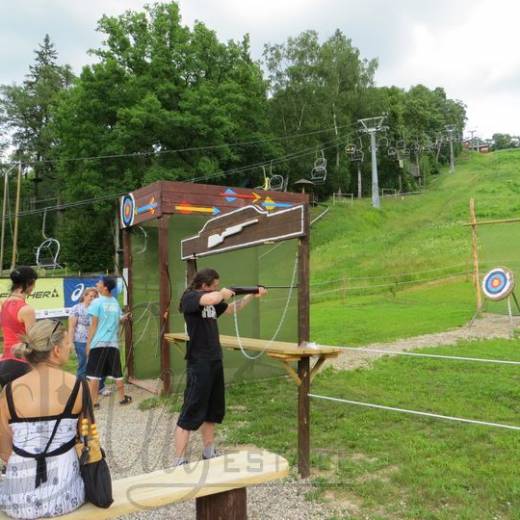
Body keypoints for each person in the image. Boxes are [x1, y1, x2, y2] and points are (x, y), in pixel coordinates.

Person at [174, 268, 267, 465]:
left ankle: (209, 451)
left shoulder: (212, 299)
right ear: (204, 285)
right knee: (191, 410)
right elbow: (211, 299)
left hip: (214, 359)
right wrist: (223, 292)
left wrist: (251, 295)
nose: (216, 289)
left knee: (212, 410)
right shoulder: (190, 297)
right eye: (213, 286)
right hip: (199, 362)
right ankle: (180, 460)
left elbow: (231, 309)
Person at [0, 319, 85, 519]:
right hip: (66, 496)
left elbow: (4, 450)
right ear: (56, 350)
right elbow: (86, 439)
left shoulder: (9, 391)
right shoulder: (77, 386)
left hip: (19, 499)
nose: (70, 347)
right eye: (66, 343)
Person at [85, 276, 131, 407]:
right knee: (117, 373)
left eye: (99, 283)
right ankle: (122, 398)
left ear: (105, 287)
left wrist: (88, 344)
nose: (96, 284)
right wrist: (124, 318)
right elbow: (119, 319)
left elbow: (93, 325)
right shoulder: (115, 302)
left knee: (94, 375)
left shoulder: (97, 303)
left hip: (98, 343)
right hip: (113, 344)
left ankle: (94, 402)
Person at [0, 267, 38, 387]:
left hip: (5, 361)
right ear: (28, 283)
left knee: (8, 403)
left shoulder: (3, 303)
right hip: (21, 362)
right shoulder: (27, 310)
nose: (34, 287)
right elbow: (33, 341)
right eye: (34, 283)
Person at [68, 287, 98, 378]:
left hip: (95, 339)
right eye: (91, 296)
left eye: (95, 297)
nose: (93, 299)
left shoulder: (97, 309)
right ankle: (80, 386)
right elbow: (71, 327)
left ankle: (96, 386)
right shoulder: (76, 308)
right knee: (84, 363)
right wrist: (70, 342)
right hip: (81, 341)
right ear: (84, 296)